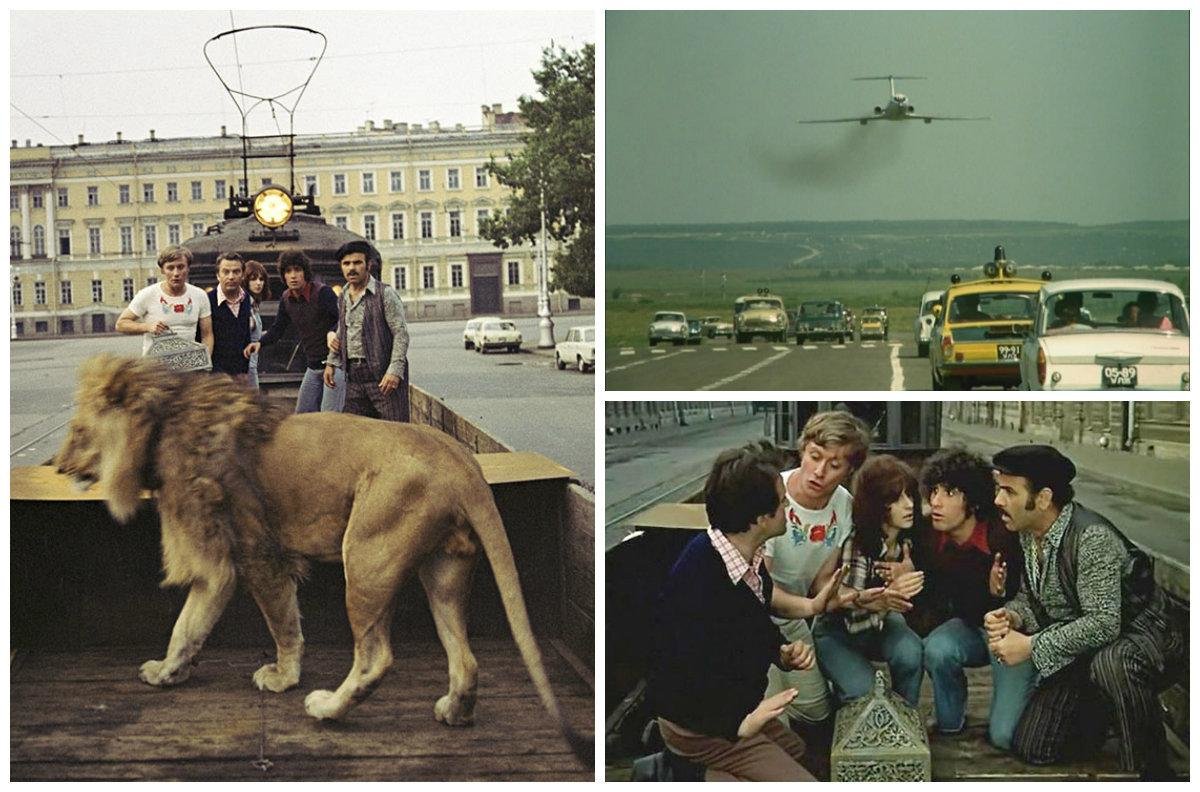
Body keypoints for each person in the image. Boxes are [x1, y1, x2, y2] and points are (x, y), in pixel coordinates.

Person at [648, 440, 844, 781]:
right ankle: (690, 774)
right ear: (760, 518)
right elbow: (679, 681)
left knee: (800, 754)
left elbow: (754, 613)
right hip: (703, 729)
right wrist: (741, 726)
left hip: (733, 712)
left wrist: (781, 651)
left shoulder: (742, 554)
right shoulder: (701, 585)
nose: (789, 510)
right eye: (783, 504)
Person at [986, 445, 1184, 779]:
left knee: (1113, 663)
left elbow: (1104, 623)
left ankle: (1153, 771)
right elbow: (1032, 599)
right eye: (997, 489)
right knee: (1033, 746)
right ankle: (1103, 712)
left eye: (1008, 491)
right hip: (1088, 645)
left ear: (1044, 498)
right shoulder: (1029, 532)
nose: (998, 501)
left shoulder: (1091, 538)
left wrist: (1031, 646)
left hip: (1146, 638)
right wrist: (1013, 617)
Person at [762, 410, 873, 728]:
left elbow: (822, 580)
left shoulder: (843, 506)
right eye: (814, 456)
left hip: (794, 619)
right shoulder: (772, 495)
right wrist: (813, 606)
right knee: (775, 719)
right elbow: (761, 589)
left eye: (835, 465)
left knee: (815, 713)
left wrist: (852, 597)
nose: (819, 472)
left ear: (850, 470)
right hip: (752, 619)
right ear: (802, 450)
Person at [915, 447, 1031, 746]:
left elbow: (1028, 603)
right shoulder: (928, 537)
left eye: (950, 493)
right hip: (967, 626)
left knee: (1005, 736)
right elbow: (932, 604)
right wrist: (911, 580)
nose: (936, 501)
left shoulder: (1003, 535)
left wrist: (1000, 594)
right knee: (937, 649)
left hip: (1011, 633)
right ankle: (949, 722)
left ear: (973, 499)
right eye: (934, 490)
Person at [811, 454, 926, 708]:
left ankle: (905, 719)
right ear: (877, 504)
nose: (908, 505)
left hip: (879, 625)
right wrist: (884, 596)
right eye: (896, 499)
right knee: (864, 693)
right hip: (838, 630)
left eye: (910, 496)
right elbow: (847, 602)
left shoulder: (908, 539)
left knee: (911, 653)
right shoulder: (859, 541)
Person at [323, 240, 411, 422]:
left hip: (382, 376)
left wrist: (394, 371)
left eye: (357, 263)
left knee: (394, 431)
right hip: (354, 377)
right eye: (346, 264)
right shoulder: (343, 296)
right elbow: (342, 331)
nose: (351, 268)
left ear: (368, 265)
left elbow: (400, 333)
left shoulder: (385, 294)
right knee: (357, 434)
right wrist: (331, 362)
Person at [247, 250, 344, 413]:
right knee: (301, 416)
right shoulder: (286, 298)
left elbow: (343, 319)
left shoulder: (323, 293)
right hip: (313, 367)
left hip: (335, 365)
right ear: (283, 275)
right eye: (288, 271)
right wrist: (259, 343)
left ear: (305, 273)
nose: (293, 276)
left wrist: (332, 331)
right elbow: (278, 329)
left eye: (297, 270)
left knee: (329, 418)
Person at [115, 245, 213, 359]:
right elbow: (121, 324)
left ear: (188, 268)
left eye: (181, 267)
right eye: (170, 268)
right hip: (156, 369)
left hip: (189, 366)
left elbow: (207, 335)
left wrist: (205, 360)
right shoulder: (148, 294)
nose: (176, 273)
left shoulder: (199, 295)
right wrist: (147, 327)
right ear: (162, 270)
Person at [206, 252, 255, 383]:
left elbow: (246, 338)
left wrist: (244, 372)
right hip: (216, 378)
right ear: (218, 275)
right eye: (226, 272)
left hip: (241, 375)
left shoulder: (246, 299)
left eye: (236, 272)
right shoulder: (207, 301)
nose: (231, 277)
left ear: (243, 275)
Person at [242, 259, 272, 390]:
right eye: (253, 279)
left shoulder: (253, 305)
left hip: (252, 366)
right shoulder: (245, 305)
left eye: (261, 279)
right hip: (247, 367)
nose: (258, 283)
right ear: (245, 281)